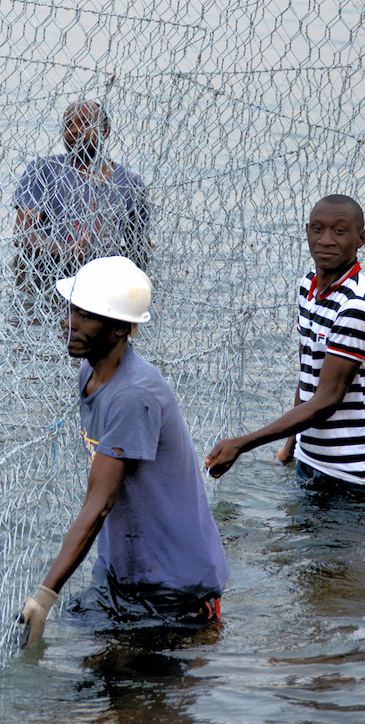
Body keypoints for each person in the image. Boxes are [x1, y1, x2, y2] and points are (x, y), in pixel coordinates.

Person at [18, 257, 229, 647]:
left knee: (126, 700)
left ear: (119, 329)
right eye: (72, 310)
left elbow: (99, 502)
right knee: (91, 682)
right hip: (124, 571)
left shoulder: (134, 395)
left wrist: (45, 595)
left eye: (86, 316)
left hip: (172, 588)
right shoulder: (92, 371)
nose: (70, 323)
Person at [203, 194, 365, 503]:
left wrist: (241, 444)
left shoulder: (356, 307)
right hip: (311, 461)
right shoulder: (308, 287)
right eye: (318, 229)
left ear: (361, 238)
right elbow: (308, 373)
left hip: (356, 475)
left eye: (340, 230)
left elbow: (326, 400)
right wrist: (290, 447)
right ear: (306, 231)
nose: (326, 240)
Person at [12, 101, 151, 299]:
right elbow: (23, 233)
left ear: (105, 131)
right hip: (45, 282)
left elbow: (136, 247)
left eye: (84, 123)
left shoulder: (130, 184)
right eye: (68, 125)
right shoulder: (44, 170)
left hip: (101, 289)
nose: (74, 130)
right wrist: (62, 249)